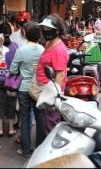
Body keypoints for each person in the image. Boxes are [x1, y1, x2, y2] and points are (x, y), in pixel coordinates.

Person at [9, 21, 44, 158]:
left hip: (24, 88)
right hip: (38, 88)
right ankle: (40, 148)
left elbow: (13, 69)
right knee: (40, 118)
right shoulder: (42, 50)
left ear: (25, 34)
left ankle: (25, 149)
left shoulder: (21, 50)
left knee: (25, 118)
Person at [35, 14, 69, 145]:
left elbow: (60, 75)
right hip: (43, 88)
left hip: (50, 91)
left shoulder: (59, 49)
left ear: (57, 30)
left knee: (50, 123)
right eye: (44, 28)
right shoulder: (49, 43)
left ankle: (51, 150)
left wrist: (53, 99)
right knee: (44, 122)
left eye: (49, 29)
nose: (45, 31)